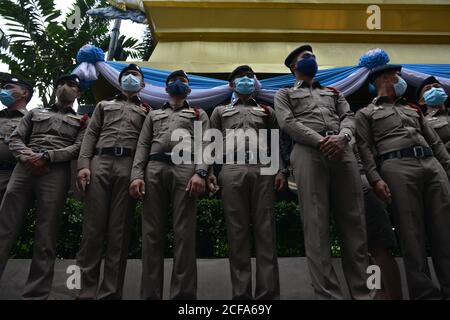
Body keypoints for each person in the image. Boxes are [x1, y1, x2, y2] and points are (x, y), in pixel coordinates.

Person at [275, 45, 375, 300]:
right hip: (308, 152)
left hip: (342, 151)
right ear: (293, 67)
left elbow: (348, 117)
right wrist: (321, 141)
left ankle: (364, 294)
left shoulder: (334, 92)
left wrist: (342, 138)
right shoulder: (284, 93)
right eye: (305, 58)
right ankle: (328, 296)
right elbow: (287, 122)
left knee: (355, 223)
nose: (312, 60)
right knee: (316, 225)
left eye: (313, 57)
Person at [356, 64, 450, 300]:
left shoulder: (413, 109)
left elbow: (435, 142)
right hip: (397, 167)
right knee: (412, 235)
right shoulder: (365, 113)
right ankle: (426, 295)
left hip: (431, 164)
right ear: (385, 78)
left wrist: (446, 166)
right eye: (397, 76)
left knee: (445, 232)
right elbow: (365, 149)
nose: (400, 80)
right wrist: (375, 179)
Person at [0, 74, 87, 299]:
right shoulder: (35, 112)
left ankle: (36, 294)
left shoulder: (81, 120)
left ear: (78, 93)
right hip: (23, 168)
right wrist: (28, 155)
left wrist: (48, 156)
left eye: (71, 85)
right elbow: (16, 138)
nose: (65, 87)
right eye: (61, 84)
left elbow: (78, 148)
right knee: (4, 228)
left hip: (54, 172)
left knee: (46, 235)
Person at [129, 70, 209, 300]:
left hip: (185, 170)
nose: (177, 84)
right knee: (151, 235)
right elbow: (142, 146)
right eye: (173, 81)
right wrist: (136, 176)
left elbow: (206, 144)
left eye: (182, 81)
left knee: (184, 235)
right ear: (165, 88)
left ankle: (183, 297)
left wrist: (201, 173)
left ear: (189, 90)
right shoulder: (152, 115)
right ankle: (150, 295)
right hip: (154, 170)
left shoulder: (198, 113)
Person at [209, 65, 286, 300]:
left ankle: (268, 295)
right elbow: (210, 143)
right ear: (232, 85)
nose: (246, 80)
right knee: (237, 232)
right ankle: (241, 296)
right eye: (241, 78)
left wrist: (281, 170)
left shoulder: (267, 110)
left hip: (263, 169)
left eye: (249, 77)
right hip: (231, 170)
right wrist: (210, 172)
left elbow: (275, 142)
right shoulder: (220, 111)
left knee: (266, 232)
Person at [76, 64, 151, 300]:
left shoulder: (148, 111)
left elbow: (146, 144)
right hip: (100, 162)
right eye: (126, 75)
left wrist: (138, 175)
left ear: (143, 84)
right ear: (119, 82)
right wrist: (83, 166)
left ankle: (110, 293)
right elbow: (90, 136)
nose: (130, 78)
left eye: (135, 75)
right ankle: (84, 291)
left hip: (128, 166)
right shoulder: (103, 105)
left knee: (119, 232)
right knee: (92, 230)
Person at [352, 143, 403, 300]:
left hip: (364, 179)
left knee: (378, 247)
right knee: (361, 250)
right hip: (343, 182)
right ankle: (378, 295)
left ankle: (390, 296)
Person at [0, 77, 32, 200]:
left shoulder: (32, 120)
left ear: (24, 93)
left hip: (10, 177)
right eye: (3, 88)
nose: (3, 91)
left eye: (8, 87)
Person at [416, 76, 449, 153]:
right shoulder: (423, 123)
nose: (434, 89)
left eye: (437, 86)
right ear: (422, 101)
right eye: (428, 89)